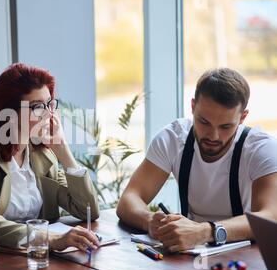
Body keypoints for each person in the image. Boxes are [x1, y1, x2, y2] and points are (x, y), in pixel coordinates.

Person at [116, 68, 277, 252]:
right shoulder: (174, 139)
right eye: (204, 122)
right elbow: (129, 199)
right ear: (192, 107)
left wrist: (205, 232)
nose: (213, 136)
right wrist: (150, 221)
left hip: (247, 261)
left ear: (243, 117)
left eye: (225, 126)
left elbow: (269, 218)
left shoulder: (261, 149)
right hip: (190, 255)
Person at [0, 63, 100, 251]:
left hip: (33, 257)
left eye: (49, 104)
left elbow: (88, 211)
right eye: (37, 107)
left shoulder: (42, 154)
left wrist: (63, 151)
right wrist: (50, 239)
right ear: (9, 112)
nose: (48, 114)